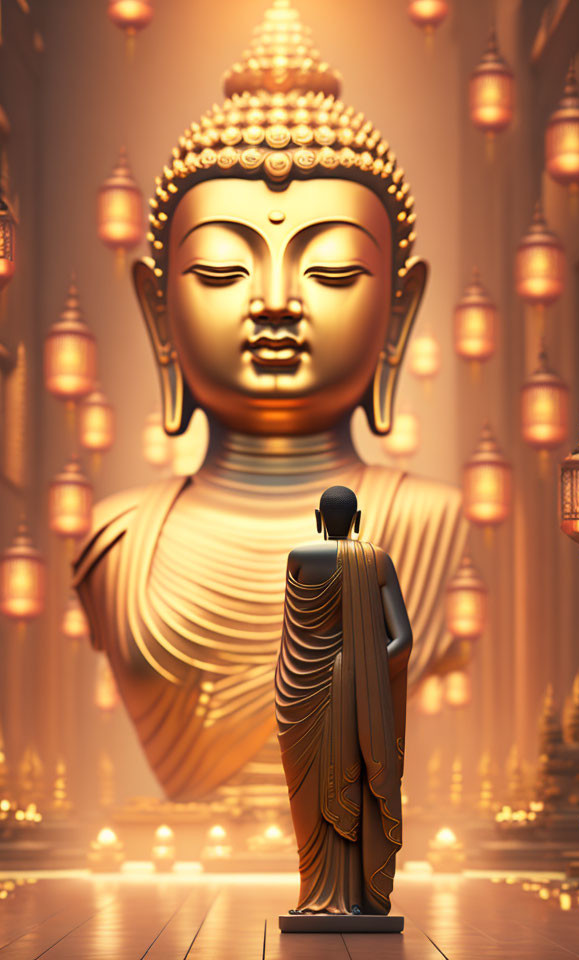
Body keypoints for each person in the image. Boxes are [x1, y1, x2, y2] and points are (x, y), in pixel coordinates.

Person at [74, 0, 466, 807]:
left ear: (398, 311)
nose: (278, 302)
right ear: (158, 312)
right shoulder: (118, 545)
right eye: (224, 273)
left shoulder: (438, 529)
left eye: (329, 272)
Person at [276, 486, 411, 915]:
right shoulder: (375, 560)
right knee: (347, 788)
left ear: (319, 518)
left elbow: (293, 641)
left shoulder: (298, 558)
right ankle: (344, 897)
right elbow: (402, 641)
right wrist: (362, 679)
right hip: (351, 697)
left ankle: (325, 896)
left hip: (295, 693)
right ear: (358, 519)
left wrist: (352, 678)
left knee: (316, 799)